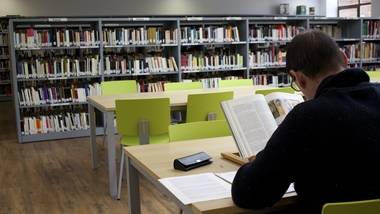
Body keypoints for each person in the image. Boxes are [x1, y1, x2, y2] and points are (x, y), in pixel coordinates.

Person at [231, 30, 380, 213]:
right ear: (344, 58)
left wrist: (258, 162)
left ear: (300, 79)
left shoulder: (308, 116)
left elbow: (250, 194)